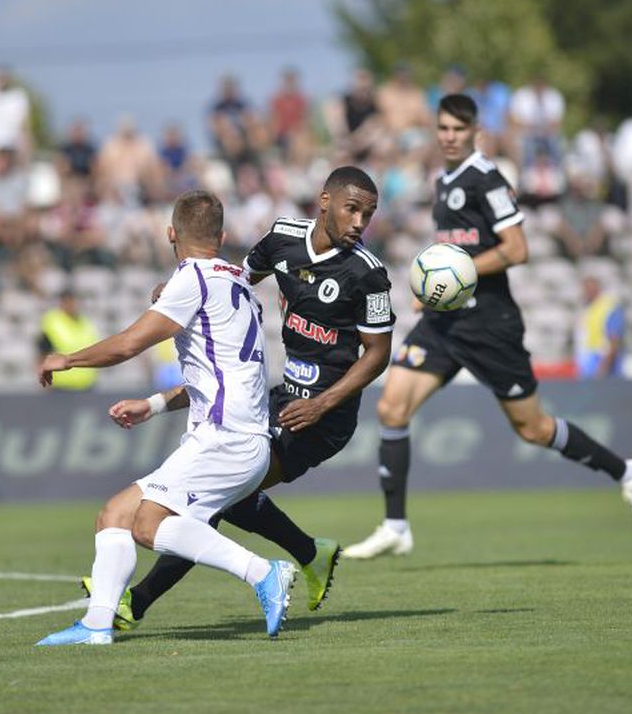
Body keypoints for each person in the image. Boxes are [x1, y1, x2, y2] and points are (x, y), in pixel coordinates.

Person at [344, 94, 632, 561]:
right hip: (444, 323)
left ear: (476, 132)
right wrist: (436, 288)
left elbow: (516, 249)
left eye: (458, 129)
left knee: (533, 428)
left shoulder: (486, 179)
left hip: (490, 325)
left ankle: (629, 473)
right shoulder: (442, 180)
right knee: (392, 407)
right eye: (443, 128)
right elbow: (453, 252)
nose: (450, 136)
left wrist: (454, 274)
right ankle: (396, 526)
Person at [93, 166, 394, 630]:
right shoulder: (283, 239)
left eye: (367, 215)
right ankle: (310, 553)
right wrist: (181, 292)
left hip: (323, 416)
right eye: (352, 209)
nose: (359, 223)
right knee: (219, 491)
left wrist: (322, 404)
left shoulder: (368, 274)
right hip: (282, 395)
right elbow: (233, 279)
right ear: (325, 201)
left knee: (214, 498)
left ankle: (137, 602)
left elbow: (378, 354)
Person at [34, 190, 296, 646]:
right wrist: (153, 404)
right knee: (114, 515)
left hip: (226, 438)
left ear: (170, 233)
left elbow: (128, 344)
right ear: (222, 237)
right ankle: (97, 625)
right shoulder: (239, 283)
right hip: (240, 435)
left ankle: (262, 573)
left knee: (147, 524)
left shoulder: (192, 280)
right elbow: (213, 375)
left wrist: (68, 359)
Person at [36, 291, 100, 391]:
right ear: (62, 303)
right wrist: (43, 381)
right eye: (68, 302)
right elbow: (42, 352)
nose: (72, 305)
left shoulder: (86, 322)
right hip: (61, 386)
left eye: (74, 302)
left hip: (87, 385)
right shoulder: (52, 322)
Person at [575, 276, 625, 379]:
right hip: (588, 364)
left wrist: (603, 367)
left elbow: (614, 339)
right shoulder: (587, 308)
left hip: (602, 363)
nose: (587, 292)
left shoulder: (609, 308)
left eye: (590, 288)